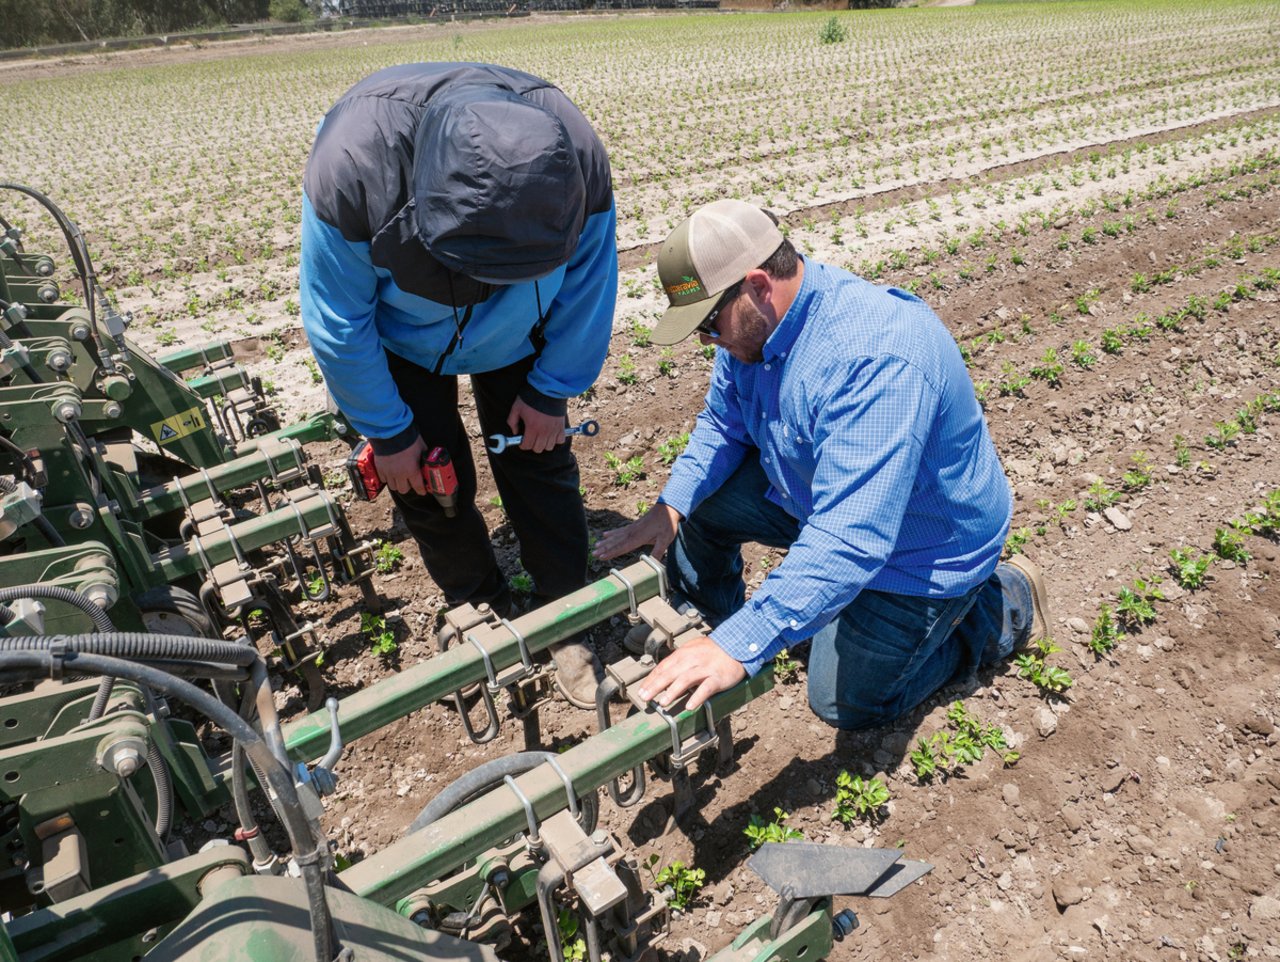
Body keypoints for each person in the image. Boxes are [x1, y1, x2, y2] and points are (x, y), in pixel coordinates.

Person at [594, 200, 1050, 728]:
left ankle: (1000, 606)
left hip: (921, 546)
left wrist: (742, 645)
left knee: (844, 702)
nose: (706, 340)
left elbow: (852, 536)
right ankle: (705, 622)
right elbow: (724, 425)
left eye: (710, 324)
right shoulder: (751, 330)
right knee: (701, 503)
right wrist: (670, 507)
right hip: (815, 495)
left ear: (759, 285)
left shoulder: (873, 359)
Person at [300, 63, 617, 708]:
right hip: (406, 339)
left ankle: (565, 613)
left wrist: (552, 388)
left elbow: (590, 278)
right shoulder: (354, 169)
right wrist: (388, 431)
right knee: (425, 478)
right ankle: (478, 603)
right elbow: (339, 321)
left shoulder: (574, 157)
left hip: (520, 330)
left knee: (538, 457)